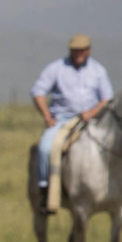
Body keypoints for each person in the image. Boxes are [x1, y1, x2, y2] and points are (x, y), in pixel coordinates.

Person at [31, 34, 113, 214]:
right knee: (45, 147)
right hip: (62, 120)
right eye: (74, 51)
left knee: (115, 146)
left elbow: (107, 98)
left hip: (92, 120)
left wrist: (91, 113)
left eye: (81, 51)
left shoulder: (98, 71)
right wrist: (47, 117)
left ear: (88, 51)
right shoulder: (57, 68)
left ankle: (116, 189)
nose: (78, 54)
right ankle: (46, 191)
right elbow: (38, 91)